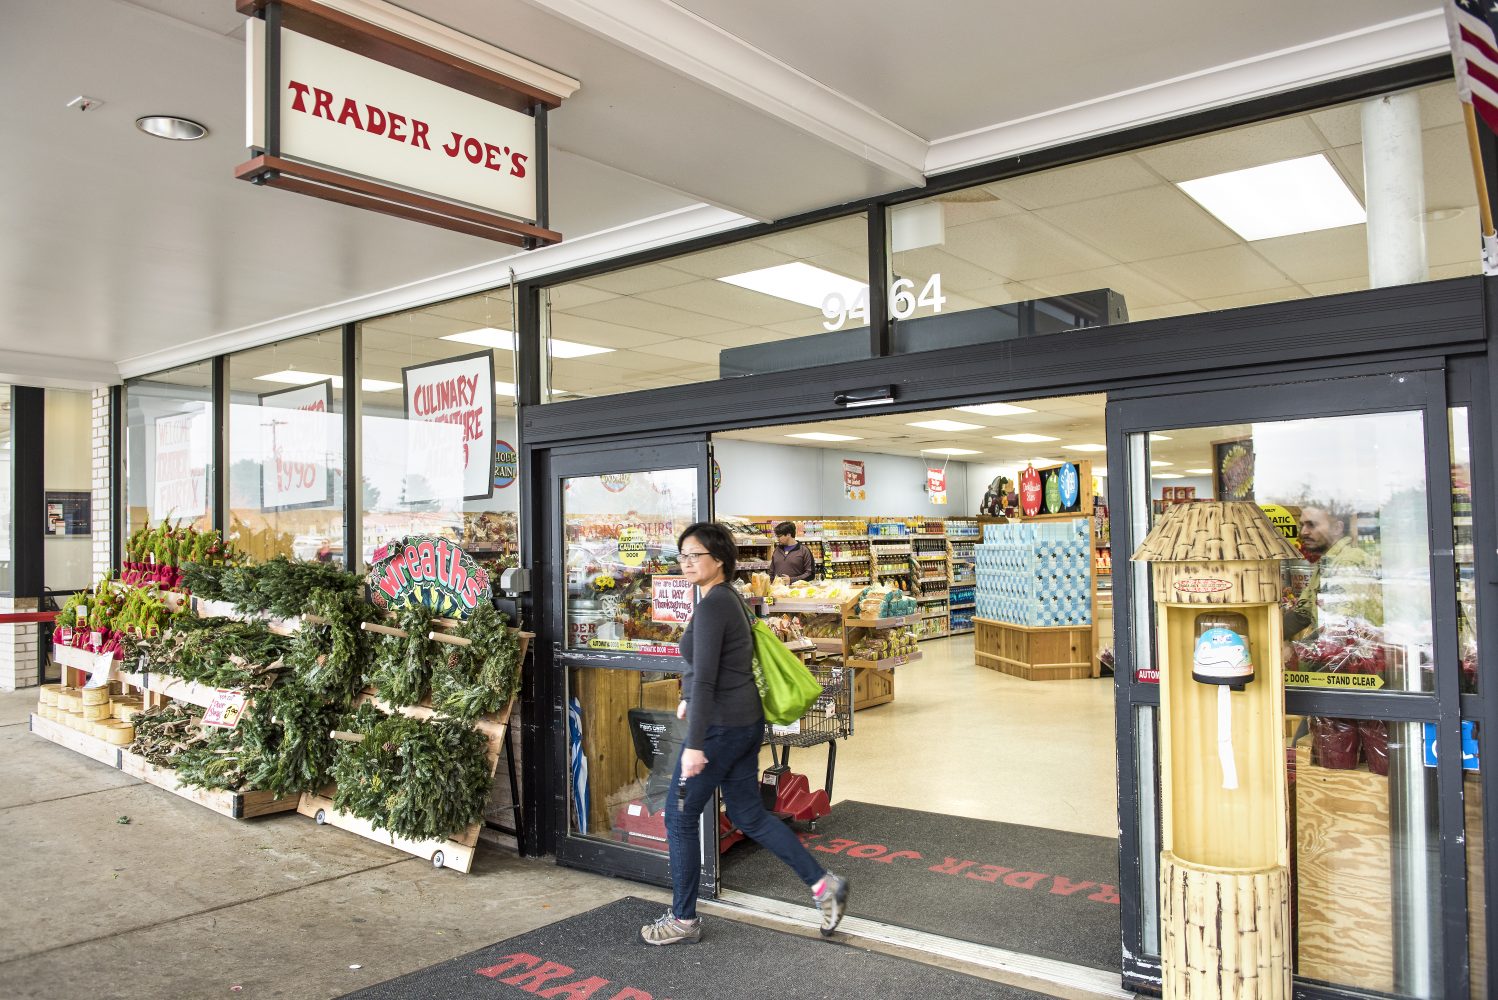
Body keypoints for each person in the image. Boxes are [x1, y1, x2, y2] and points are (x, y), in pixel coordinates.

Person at [641, 521, 848, 946]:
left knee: (680, 818)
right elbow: (716, 667)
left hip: (718, 730)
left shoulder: (715, 604)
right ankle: (824, 885)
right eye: (682, 555)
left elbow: (706, 679)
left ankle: (682, 919)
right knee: (750, 815)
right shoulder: (729, 599)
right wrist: (688, 698)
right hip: (742, 722)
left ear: (718, 559)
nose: (686, 563)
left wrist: (695, 744)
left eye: (694, 555)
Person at [1283, 503, 1382, 641]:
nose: (1303, 532)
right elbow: (1302, 613)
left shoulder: (1347, 562)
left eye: (1311, 525)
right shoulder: (1327, 561)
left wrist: (1295, 651)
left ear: (1337, 528)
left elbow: (1339, 630)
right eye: (1302, 525)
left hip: (1358, 655)